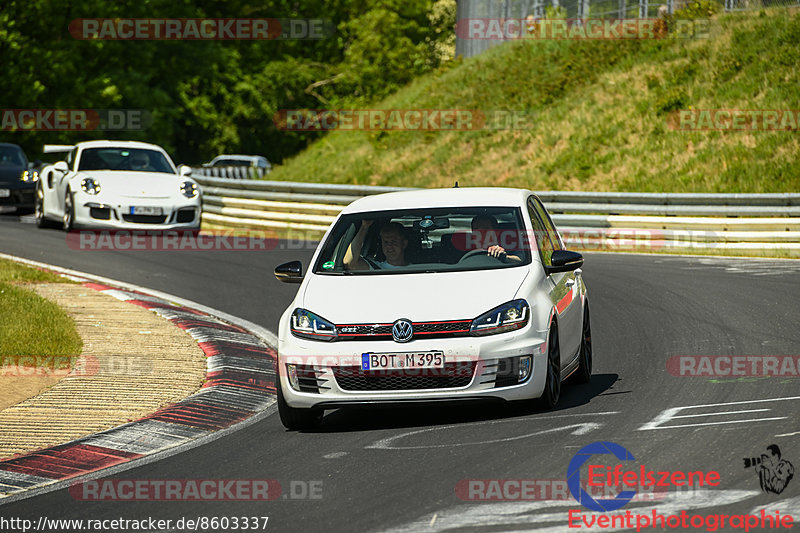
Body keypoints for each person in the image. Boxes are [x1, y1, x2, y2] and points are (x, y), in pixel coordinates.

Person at [344, 220, 408, 270]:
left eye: (394, 241)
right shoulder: (375, 268)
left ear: (404, 243)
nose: (389, 246)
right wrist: (364, 227)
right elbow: (349, 262)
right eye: (386, 242)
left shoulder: (417, 269)